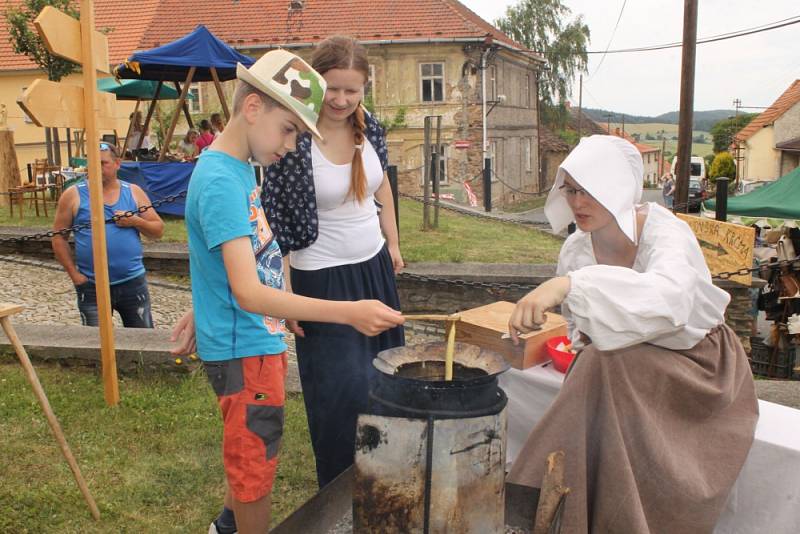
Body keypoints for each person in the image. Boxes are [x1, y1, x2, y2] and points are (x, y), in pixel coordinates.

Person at [175, 50, 404, 534]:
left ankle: (226, 526)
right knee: (254, 467)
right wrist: (347, 312)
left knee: (252, 448)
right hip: (247, 344)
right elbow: (250, 294)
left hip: (256, 341)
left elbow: (243, 255)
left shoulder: (237, 168)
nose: (292, 145)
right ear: (254, 108)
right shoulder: (220, 180)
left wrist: (202, 306)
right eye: (290, 130)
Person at [506, 135, 758, 533]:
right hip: (625, 364)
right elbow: (583, 331)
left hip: (698, 365)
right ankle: (566, 509)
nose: (576, 202)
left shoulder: (665, 233)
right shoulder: (576, 249)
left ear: (618, 187)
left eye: (589, 190)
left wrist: (569, 287)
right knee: (597, 363)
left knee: (599, 365)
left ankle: (527, 501)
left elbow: (669, 302)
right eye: (570, 190)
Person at [261, 35, 405, 488]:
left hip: (374, 270)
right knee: (339, 392)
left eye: (352, 90)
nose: (342, 100)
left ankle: (385, 475)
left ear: (365, 89)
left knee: (385, 379)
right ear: (316, 82)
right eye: (333, 87)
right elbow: (276, 219)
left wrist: (393, 244)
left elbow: (381, 187)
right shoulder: (294, 135)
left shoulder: (372, 128)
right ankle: (342, 488)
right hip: (319, 279)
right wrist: (285, 297)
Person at [51, 142, 164, 327]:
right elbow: (58, 237)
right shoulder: (73, 195)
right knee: (96, 346)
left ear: (117, 163)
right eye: (92, 164)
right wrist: (74, 275)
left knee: (141, 342)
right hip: (91, 284)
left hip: (132, 281)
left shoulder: (133, 192)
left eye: (103, 163)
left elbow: (158, 230)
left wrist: (136, 221)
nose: (96, 169)